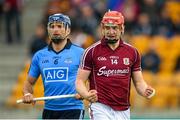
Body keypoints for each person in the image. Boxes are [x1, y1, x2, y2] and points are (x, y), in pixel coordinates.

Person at [75, 10, 155, 120]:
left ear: (122, 29)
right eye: (107, 28)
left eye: (115, 28)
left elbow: (139, 82)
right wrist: (86, 94)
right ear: (102, 28)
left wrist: (145, 90)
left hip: (124, 109)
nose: (111, 31)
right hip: (100, 107)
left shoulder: (133, 52)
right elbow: (79, 81)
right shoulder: (91, 52)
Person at [22, 13, 84, 119]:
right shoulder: (39, 56)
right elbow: (28, 82)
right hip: (49, 110)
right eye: (52, 26)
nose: (55, 29)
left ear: (68, 30)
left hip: (73, 109)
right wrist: (27, 94)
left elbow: (92, 79)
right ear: (48, 30)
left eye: (59, 26)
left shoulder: (80, 53)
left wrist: (84, 92)